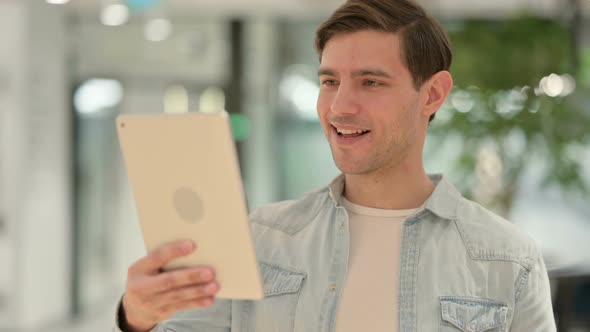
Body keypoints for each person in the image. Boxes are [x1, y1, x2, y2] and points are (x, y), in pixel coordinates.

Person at [114, 0, 557, 331]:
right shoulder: (262, 239)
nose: (340, 106)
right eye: (329, 81)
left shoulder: (508, 261)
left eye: (371, 82)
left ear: (433, 94)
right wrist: (137, 318)